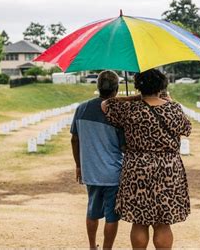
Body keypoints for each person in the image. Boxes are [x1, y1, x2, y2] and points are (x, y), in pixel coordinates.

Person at [101, 69, 192, 249]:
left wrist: (133, 98)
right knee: (163, 222)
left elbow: (105, 104)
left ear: (138, 87)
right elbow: (187, 128)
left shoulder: (130, 109)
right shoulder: (173, 108)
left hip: (137, 168)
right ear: (162, 87)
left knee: (139, 221)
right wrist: (171, 101)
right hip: (168, 169)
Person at [71, 70, 125, 249]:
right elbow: (124, 146)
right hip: (113, 172)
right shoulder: (117, 112)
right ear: (116, 89)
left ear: (98, 87)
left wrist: (79, 165)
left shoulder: (82, 108)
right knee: (111, 215)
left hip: (91, 170)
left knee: (92, 211)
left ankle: (92, 246)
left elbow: (74, 139)